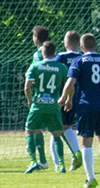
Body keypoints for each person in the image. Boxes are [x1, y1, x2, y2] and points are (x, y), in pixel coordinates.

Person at [59, 33, 100, 188]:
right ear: (96, 46)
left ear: (82, 48)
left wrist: (63, 98)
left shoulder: (79, 61)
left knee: (87, 142)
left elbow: (70, 82)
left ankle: (91, 178)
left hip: (86, 105)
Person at [23, 41, 68, 174]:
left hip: (38, 104)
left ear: (43, 52)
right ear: (54, 52)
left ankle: (33, 161)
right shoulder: (61, 67)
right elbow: (69, 83)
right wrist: (65, 98)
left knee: (29, 131)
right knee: (56, 134)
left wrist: (30, 101)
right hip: (54, 105)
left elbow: (27, 86)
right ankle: (61, 165)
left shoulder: (35, 66)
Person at [51, 30, 83, 171]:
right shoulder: (83, 57)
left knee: (55, 129)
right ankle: (73, 155)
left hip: (62, 97)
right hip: (78, 97)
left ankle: (60, 164)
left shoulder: (60, 57)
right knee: (66, 126)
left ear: (66, 42)